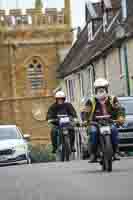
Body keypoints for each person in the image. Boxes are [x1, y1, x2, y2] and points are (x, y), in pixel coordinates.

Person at [80, 78, 125, 162]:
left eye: (103, 88)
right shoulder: (91, 100)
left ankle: (115, 152)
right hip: (95, 123)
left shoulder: (112, 99)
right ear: (95, 90)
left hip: (110, 121)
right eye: (98, 89)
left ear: (106, 89)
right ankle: (93, 154)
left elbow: (120, 109)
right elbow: (85, 111)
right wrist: (85, 120)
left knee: (114, 130)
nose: (101, 91)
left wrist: (120, 117)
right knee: (93, 132)